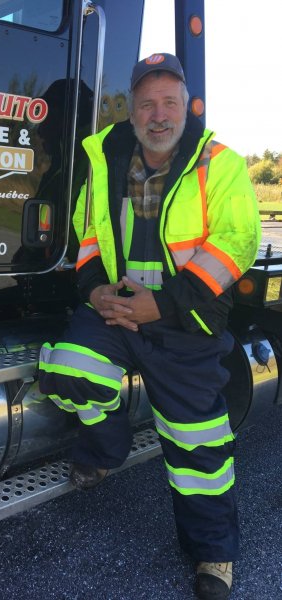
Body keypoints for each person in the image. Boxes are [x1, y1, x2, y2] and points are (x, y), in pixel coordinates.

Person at [38, 53, 261, 600]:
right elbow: (89, 235)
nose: (158, 115)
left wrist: (162, 306)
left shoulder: (219, 164)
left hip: (184, 320)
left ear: (186, 106)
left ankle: (213, 553)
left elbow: (237, 243)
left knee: (198, 446)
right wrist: (95, 290)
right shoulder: (106, 158)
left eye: (169, 103)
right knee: (69, 368)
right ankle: (105, 450)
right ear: (131, 109)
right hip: (115, 310)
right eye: (146, 104)